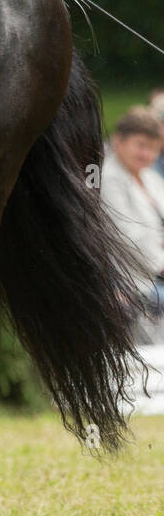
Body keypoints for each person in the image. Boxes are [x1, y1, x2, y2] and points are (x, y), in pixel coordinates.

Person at [100, 107, 164, 343]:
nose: (146, 154)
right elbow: (128, 237)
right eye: (140, 145)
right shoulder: (108, 179)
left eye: (153, 148)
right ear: (119, 141)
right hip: (130, 282)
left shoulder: (151, 179)